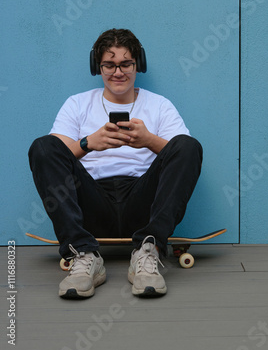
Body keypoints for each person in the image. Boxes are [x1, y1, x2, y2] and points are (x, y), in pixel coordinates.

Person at [28, 28, 203, 299]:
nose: (117, 72)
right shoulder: (77, 105)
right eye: (109, 64)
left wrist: (148, 140)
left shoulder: (159, 106)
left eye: (125, 64)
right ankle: (83, 254)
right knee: (42, 145)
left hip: (142, 203)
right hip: (91, 204)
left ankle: (149, 250)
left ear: (138, 65)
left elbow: (183, 157)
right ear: (97, 67)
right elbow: (52, 157)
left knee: (189, 145)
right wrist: (88, 143)